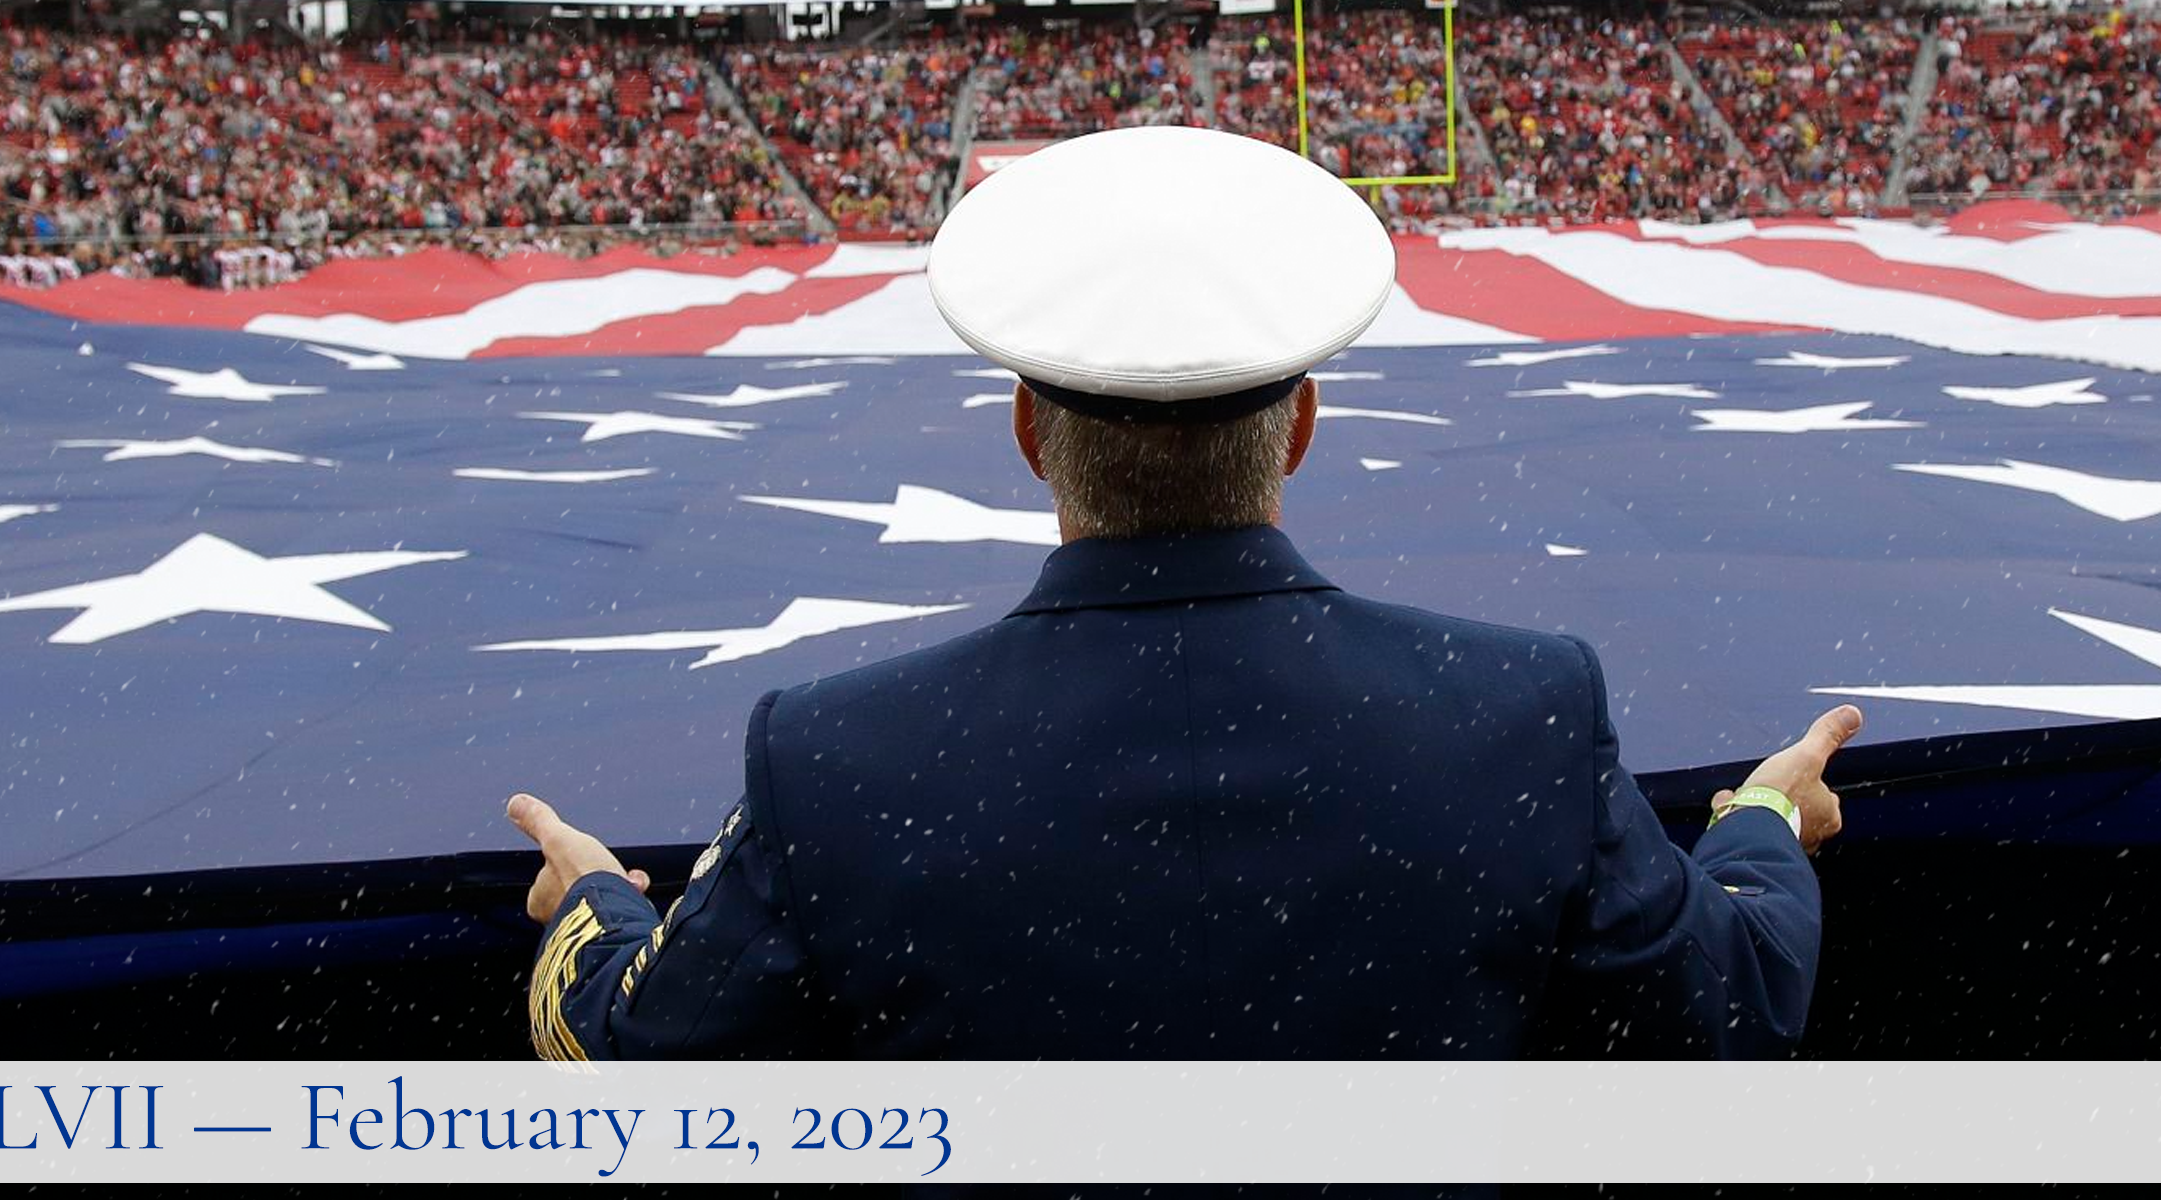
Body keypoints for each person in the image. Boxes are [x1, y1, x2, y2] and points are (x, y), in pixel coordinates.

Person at [507, 125, 1851, 1060]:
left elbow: (652, 1071)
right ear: (1306, 423)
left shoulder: (833, 756)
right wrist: (1759, 827)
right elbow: (1717, 1017)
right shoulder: (1523, 714)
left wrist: (594, 907)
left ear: (1029, 433)